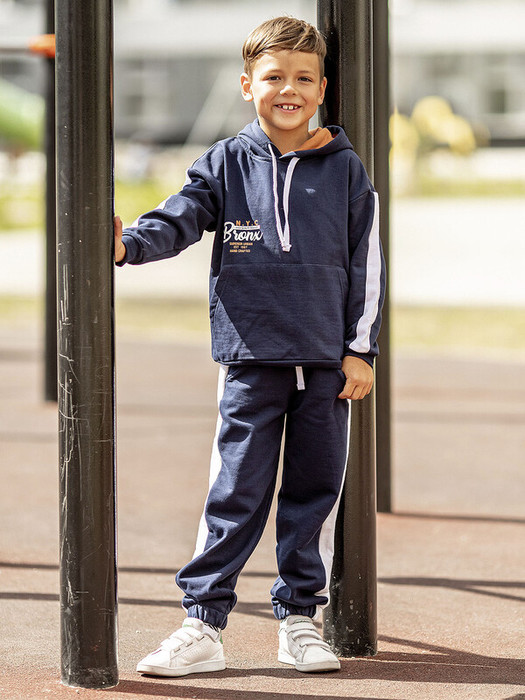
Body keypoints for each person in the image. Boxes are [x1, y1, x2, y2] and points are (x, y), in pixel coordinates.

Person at [114, 15, 385, 677]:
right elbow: (179, 216)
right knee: (234, 492)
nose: (288, 89)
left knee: (314, 495)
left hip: (326, 366)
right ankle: (203, 624)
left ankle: (299, 621)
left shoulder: (346, 171)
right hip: (249, 357)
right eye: (273, 77)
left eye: (302, 78)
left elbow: (368, 266)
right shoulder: (225, 162)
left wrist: (360, 350)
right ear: (247, 86)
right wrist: (126, 246)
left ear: (321, 89)